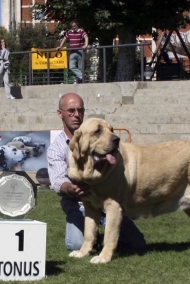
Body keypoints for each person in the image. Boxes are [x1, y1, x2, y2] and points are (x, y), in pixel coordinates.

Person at [47, 93, 146, 252]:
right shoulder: (56, 148)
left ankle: (103, 236)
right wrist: (71, 188)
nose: (76, 115)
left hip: (107, 202)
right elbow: (58, 182)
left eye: (80, 110)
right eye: (71, 111)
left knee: (137, 244)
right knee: (76, 245)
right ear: (60, 114)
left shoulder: (103, 141)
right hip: (78, 204)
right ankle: (94, 238)